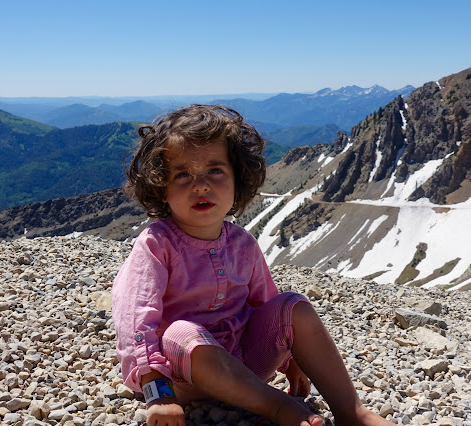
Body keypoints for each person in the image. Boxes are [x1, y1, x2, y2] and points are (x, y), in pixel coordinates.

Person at [112, 104, 394, 426]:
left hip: (246, 367)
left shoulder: (242, 244)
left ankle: (352, 412)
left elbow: (266, 307)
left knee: (293, 305)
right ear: (161, 187)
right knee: (180, 332)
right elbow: (135, 318)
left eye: (215, 170)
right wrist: (158, 393)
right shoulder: (156, 244)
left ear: (238, 180)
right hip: (182, 377)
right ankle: (277, 408)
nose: (200, 185)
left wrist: (293, 361)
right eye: (182, 174)